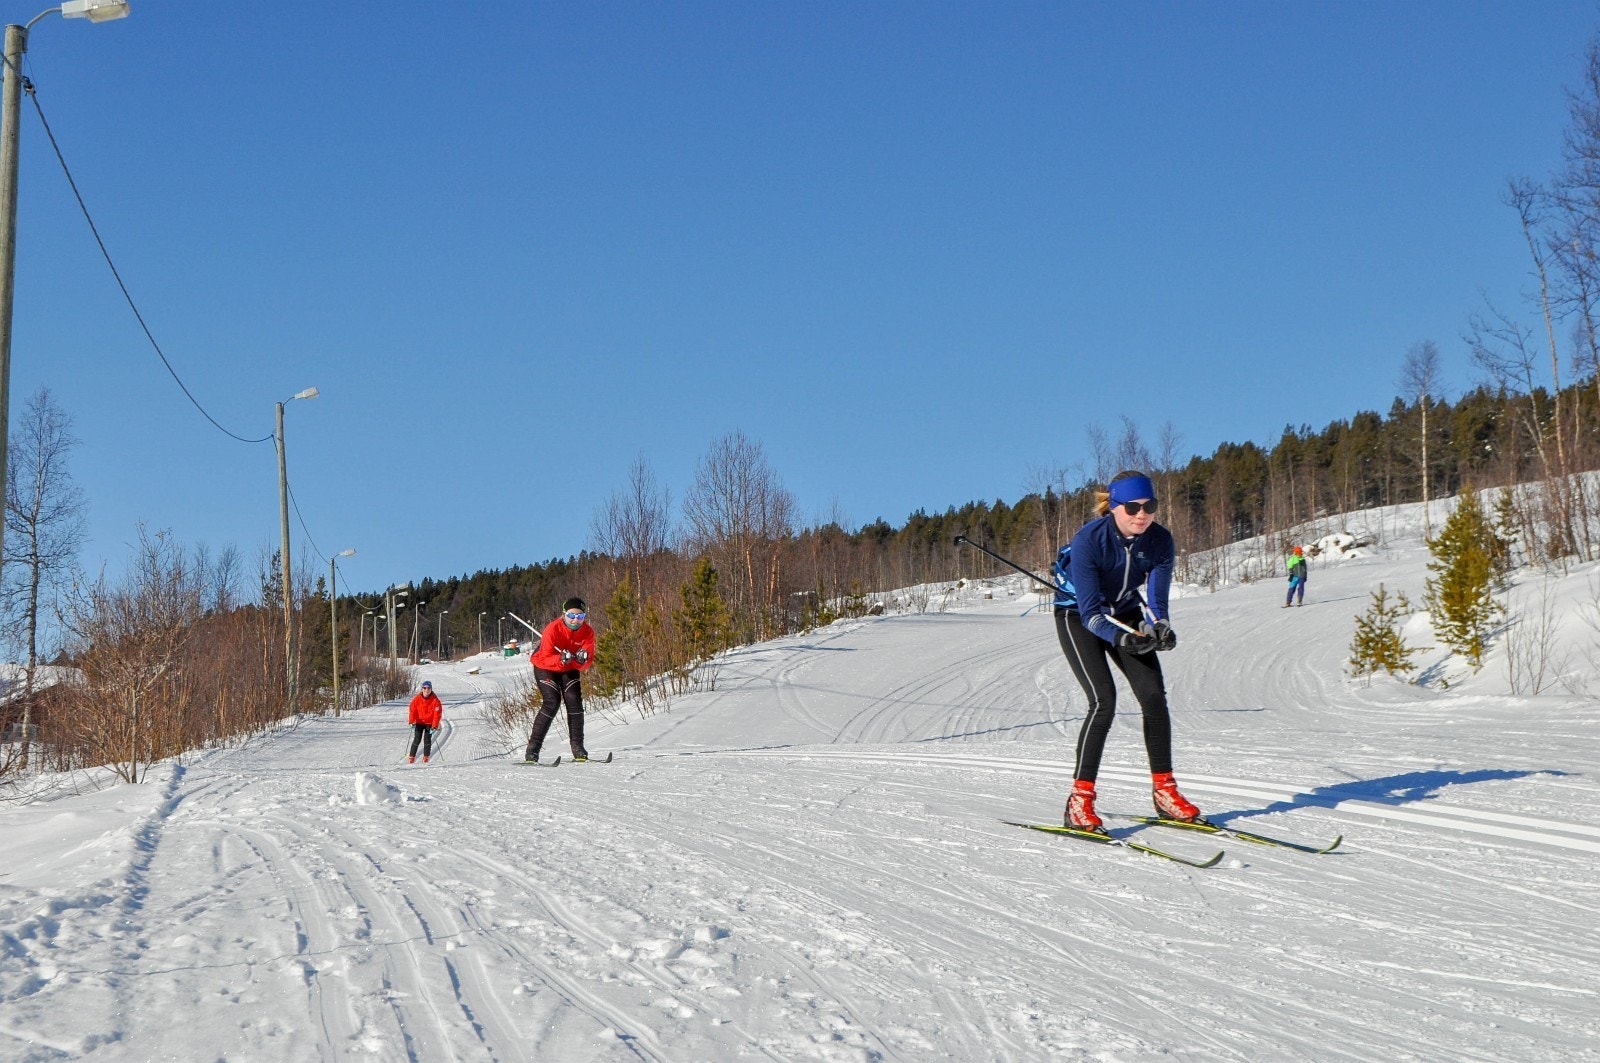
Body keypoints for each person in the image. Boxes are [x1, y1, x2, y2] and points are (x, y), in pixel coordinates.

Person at [1055, 470, 1202, 832]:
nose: (1142, 514)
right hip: (1078, 616)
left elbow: (1156, 600)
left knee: (1153, 695)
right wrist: (1122, 639)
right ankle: (1079, 801)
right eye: (1132, 507)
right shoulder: (1090, 539)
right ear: (1114, 507)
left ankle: (1165, 793)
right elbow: (1091, 614)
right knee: (1103, 701)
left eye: (1149, 506)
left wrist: (1160, 627)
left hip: (1124, 612)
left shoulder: (1160, 541)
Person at [523, 597, 597, 763]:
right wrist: (561, 659)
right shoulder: (552, 629)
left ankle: (578, 747)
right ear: (564, 614)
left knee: (574, 700)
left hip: (569, 667)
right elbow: (545, 656)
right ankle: (533, 749)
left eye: (580, 617)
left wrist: (581, 660)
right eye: (571, 615)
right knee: (552, 702)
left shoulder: (588, 632)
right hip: (545, 667)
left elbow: (587, 661)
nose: (575, 620)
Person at [407, 680, 442, 763]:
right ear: (422, 689)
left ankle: (426, 757)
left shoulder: (435, 701)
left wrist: (434, 726)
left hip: (429, 723)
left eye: (428, 688)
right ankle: (412, 757)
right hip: (419, 722)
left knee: (427, 739)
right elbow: (412, 711)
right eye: (424, 688)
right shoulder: (417, 699)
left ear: (431, 689)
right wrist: (412, 722)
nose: (426, 690)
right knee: (417, 739)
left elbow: (437, 714)